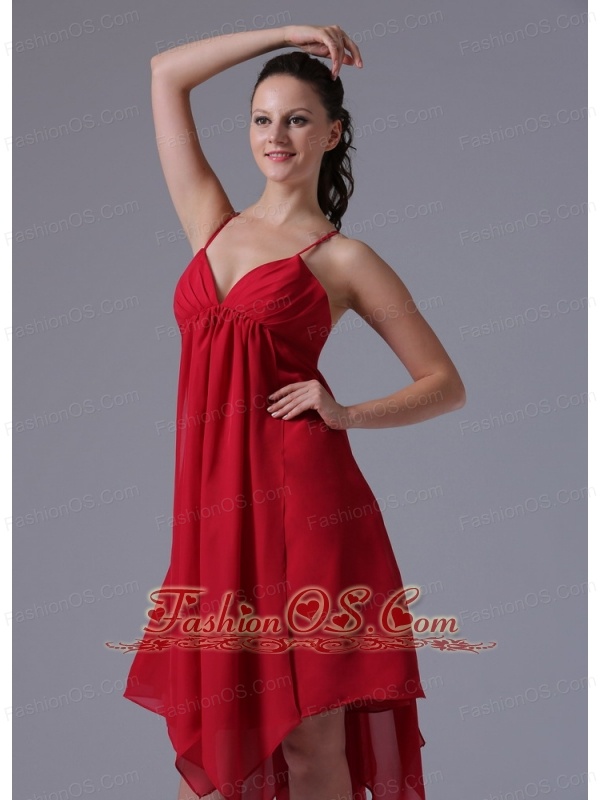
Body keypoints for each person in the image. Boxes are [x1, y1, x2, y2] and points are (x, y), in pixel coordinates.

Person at [123, 23, 466, 800]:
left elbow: (444, 384)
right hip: (213, 512)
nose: (276, 136)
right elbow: (166, 72)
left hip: (303, 505)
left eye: (298, 119)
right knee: (218, 733)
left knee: (311, 741)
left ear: (332, 134)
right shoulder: (210, 220)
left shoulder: (344, 258)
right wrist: (283, 34)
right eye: (262, 119)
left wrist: (344, 413)